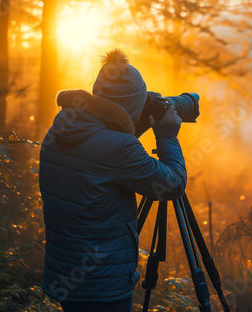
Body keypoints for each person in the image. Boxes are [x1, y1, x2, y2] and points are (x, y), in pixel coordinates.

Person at [38, 49, 187, 312]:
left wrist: (134, 126)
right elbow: (172, 184)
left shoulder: (62, 128)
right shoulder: (119, 150)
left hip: (66, 275)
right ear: (133, 108)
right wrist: (167, 135)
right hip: (102, 286)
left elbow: (104, 154)